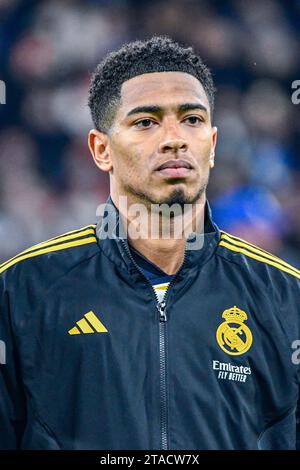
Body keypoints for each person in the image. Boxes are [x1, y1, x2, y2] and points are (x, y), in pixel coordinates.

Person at [0, 36, 299, 450]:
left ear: (212, 146)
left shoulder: (286, 298)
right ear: (100, 149)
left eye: (192, 119)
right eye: (146, 122)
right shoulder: (20, 292)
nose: (174, 138)